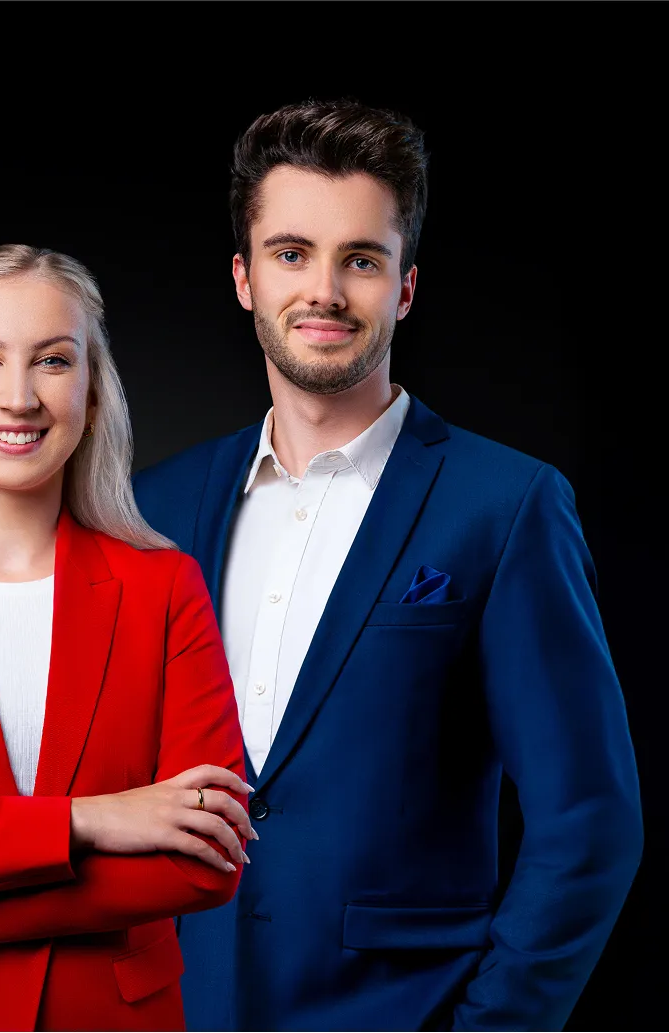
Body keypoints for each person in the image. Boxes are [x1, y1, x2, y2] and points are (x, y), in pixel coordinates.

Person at [135, 100, 642, 1030]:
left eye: (359, 260)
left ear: (404, 286)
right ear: (245, 278)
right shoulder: (156, 507)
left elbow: (588, 821)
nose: (323, 290)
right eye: (292, 254)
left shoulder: (507, 503)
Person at [0, 245, 251, 1030]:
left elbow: (205, 857)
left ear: (93, 394)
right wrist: (89, 820)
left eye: (54, 361)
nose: (19, 396)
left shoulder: (165, 587)